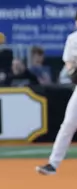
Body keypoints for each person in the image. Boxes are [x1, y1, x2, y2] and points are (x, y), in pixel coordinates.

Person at [37, 13, 77, 175]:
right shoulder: (72, 39)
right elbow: (69, 65)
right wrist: (73, 71)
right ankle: (53, 164)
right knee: (68, 123)